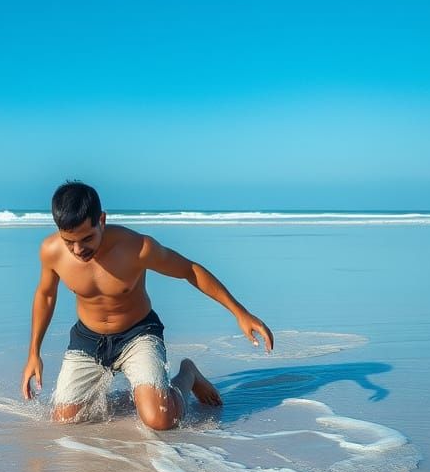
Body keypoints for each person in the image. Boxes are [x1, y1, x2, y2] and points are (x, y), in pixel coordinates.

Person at [21, 181, 274, 430]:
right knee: (64, 420)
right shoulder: (51, 251)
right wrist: (34, 352)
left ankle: (188, 375)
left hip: (137, 334)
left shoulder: (137, 248)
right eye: (69, 241)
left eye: (87, 238)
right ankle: (143, 391)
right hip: (88, 339)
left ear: (102, 221)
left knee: (160, 421)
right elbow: (46, 295)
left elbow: (190, 270)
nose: (78, 249)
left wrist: (240, 313)